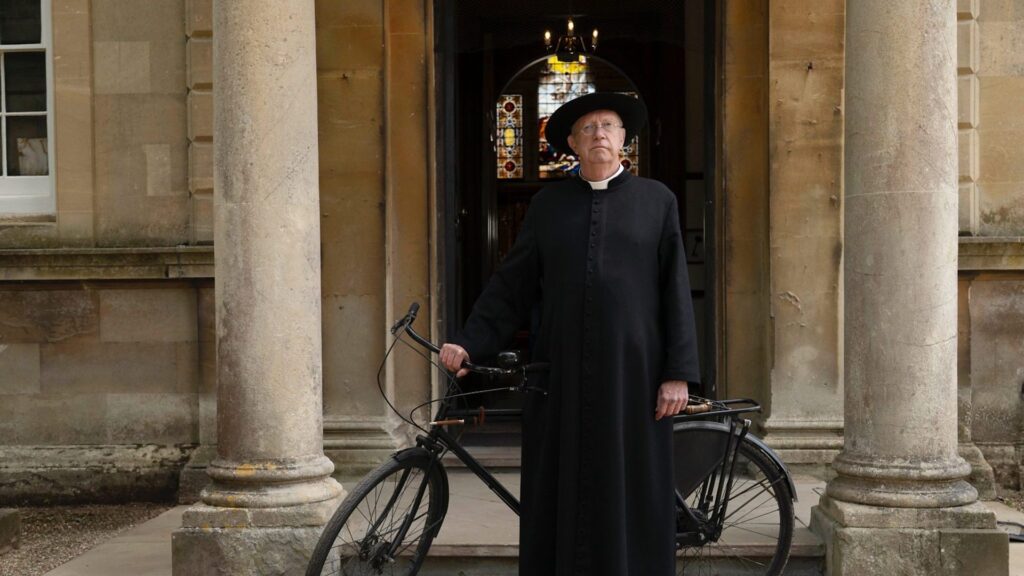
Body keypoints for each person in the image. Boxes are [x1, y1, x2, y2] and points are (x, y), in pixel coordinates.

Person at [440, 92, 700, 576]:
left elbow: (676, 292)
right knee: (562, 482)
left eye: (609, 126)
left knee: (630, 482)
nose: (599, 134)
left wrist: (678, 373)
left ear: (624, 139)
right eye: (588, 128)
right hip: (560, 375)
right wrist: (469, 341)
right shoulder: (548, 206)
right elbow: (512, 285)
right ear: (573, 145)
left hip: (634, 376)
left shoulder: (657, 201)